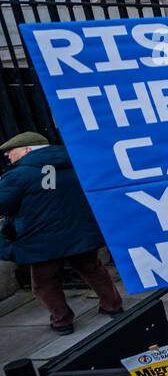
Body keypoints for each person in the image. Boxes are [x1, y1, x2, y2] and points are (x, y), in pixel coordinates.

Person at [0, 132, 123, 334]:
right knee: (93, 270)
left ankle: (62, 321)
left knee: (45, 283)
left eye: (11, 152)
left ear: (27, 149)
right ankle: (113, 306)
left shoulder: (19, 175)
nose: (8, 156)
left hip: (40, 239)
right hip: (80, 231)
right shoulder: (76, 162)